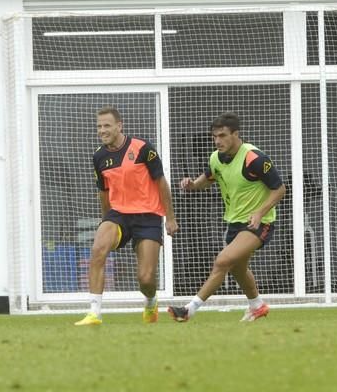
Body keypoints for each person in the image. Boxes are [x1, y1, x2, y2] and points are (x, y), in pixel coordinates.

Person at [168, 112, 286, 322]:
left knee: (222, 261)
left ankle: (189, 310)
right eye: (215, 137)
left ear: (236, 134)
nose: (218, 141)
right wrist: (193, 185)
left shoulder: (254, 158)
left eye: (222, 135)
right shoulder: (216, 158)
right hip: (234, 222)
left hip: (259, 223)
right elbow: (208, 178)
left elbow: (280, 189)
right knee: (238, 268)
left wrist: (260, 213)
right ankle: (257, 306)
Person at [75, 107, 178, 326]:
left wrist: (170, 217)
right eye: (99, 126)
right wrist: (106, 222)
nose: (102, 130)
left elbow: (161, 182)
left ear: (119, 126)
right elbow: (103, 192)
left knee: (146, 278)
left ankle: (150, 300)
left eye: (107, 126)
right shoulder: (99, 156)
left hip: (147, 215)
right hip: (118, 214)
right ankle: (94, 313)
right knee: (97, 249)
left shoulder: (142, 149)